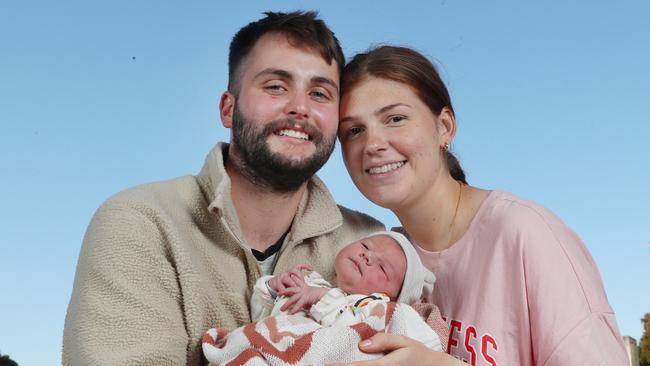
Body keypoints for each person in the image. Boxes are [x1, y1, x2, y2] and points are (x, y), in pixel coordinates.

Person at [62, 11, 384, 365]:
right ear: (228, 110)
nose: (300, 108)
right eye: (276, 86)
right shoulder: (139, 222)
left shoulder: (369, 240)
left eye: (320, 93)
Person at [334, 46, 628, 365]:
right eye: (354, 130)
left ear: (444, 127)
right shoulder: (383, 261)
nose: (373, 144)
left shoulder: (526, 233)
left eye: (395, 118)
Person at [201, 231, 448, 364]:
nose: (367, 257)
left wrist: (322, 298)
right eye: (365, 246)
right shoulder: (311, 282)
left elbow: (356, 335)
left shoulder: (377, 309)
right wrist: (274, 289)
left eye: (382, 268)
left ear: (390, 295)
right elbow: (266, 320)